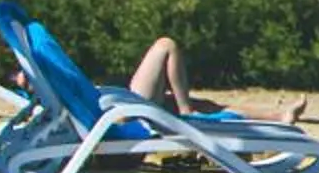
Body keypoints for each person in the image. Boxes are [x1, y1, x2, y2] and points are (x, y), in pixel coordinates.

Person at [127, 34, 307, 125]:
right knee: (166, 45)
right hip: (121, 111)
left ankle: (279, 115)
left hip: (119, 106)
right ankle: (186, 112)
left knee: (205, 106)